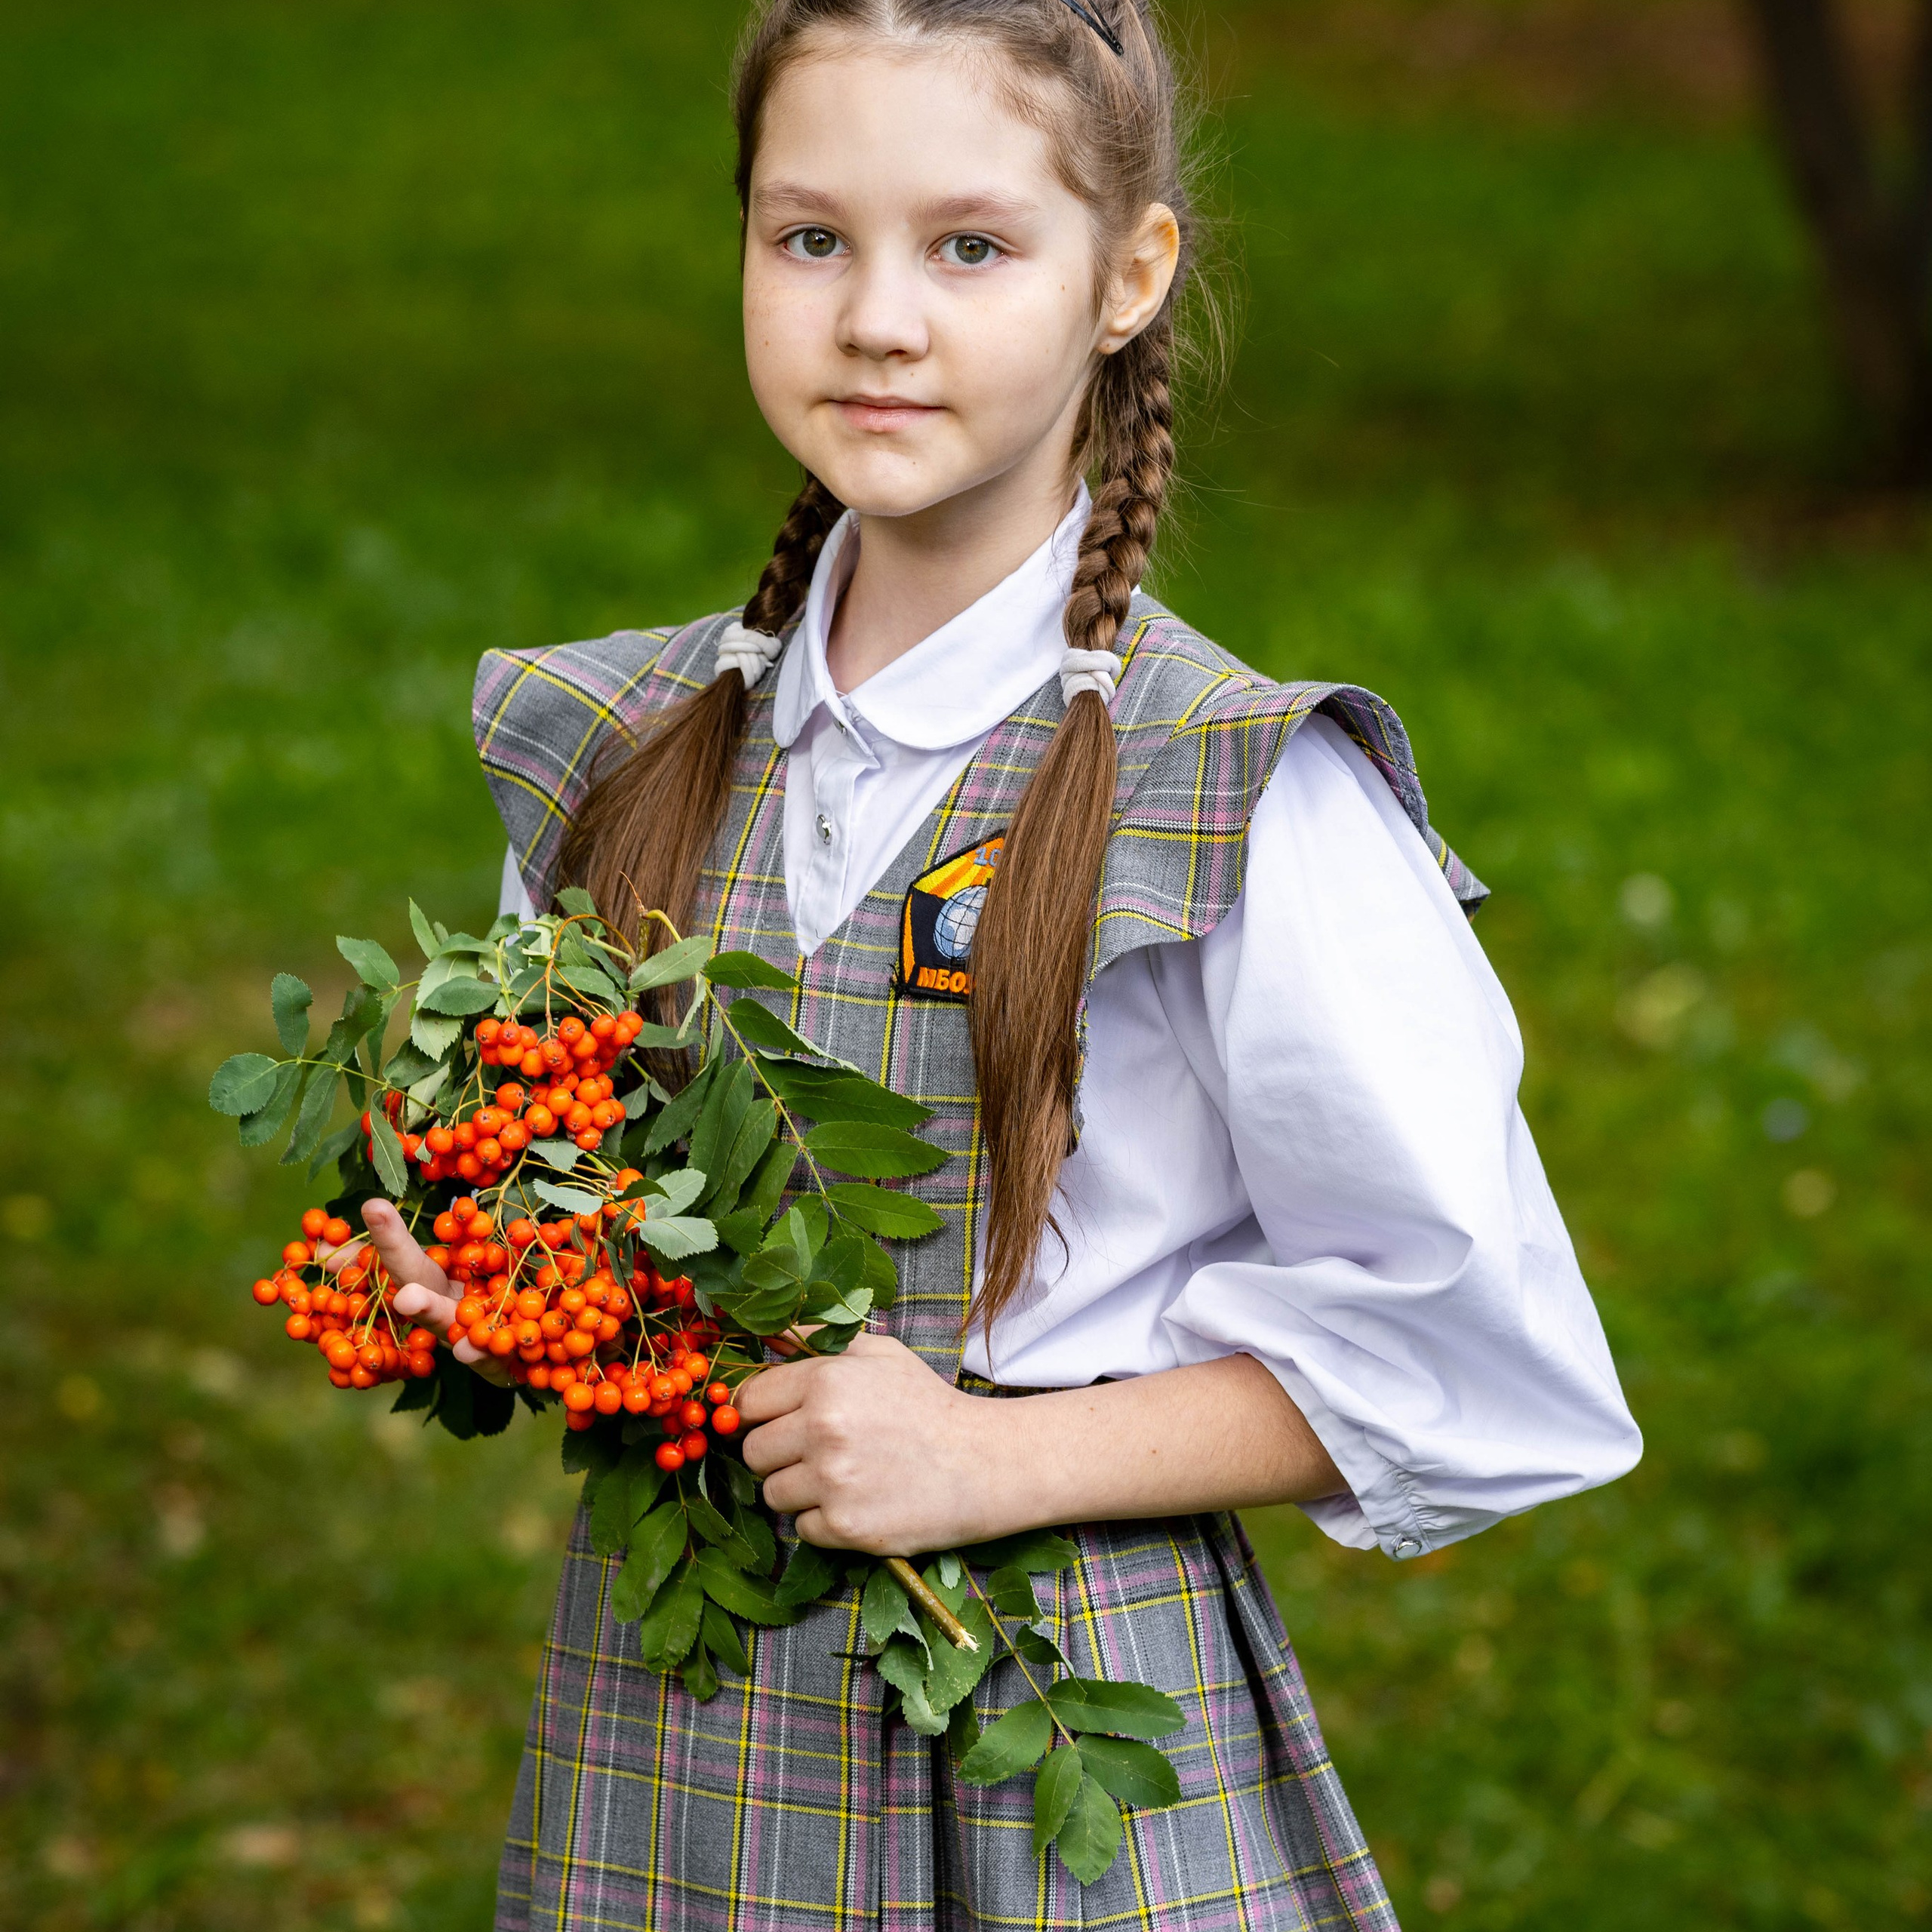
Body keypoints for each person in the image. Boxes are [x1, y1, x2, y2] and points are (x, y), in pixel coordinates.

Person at [353, 2, 1641, 1924]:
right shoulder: (614, 748)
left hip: (1054, 1751)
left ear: (1127, 277)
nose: (877, 316)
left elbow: (1483, 1359)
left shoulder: (1235, 795)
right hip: (673, 1759)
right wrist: (504, 1278)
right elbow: (636, 1229)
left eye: (969, 245)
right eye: (809, 238)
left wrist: (979, 1454)